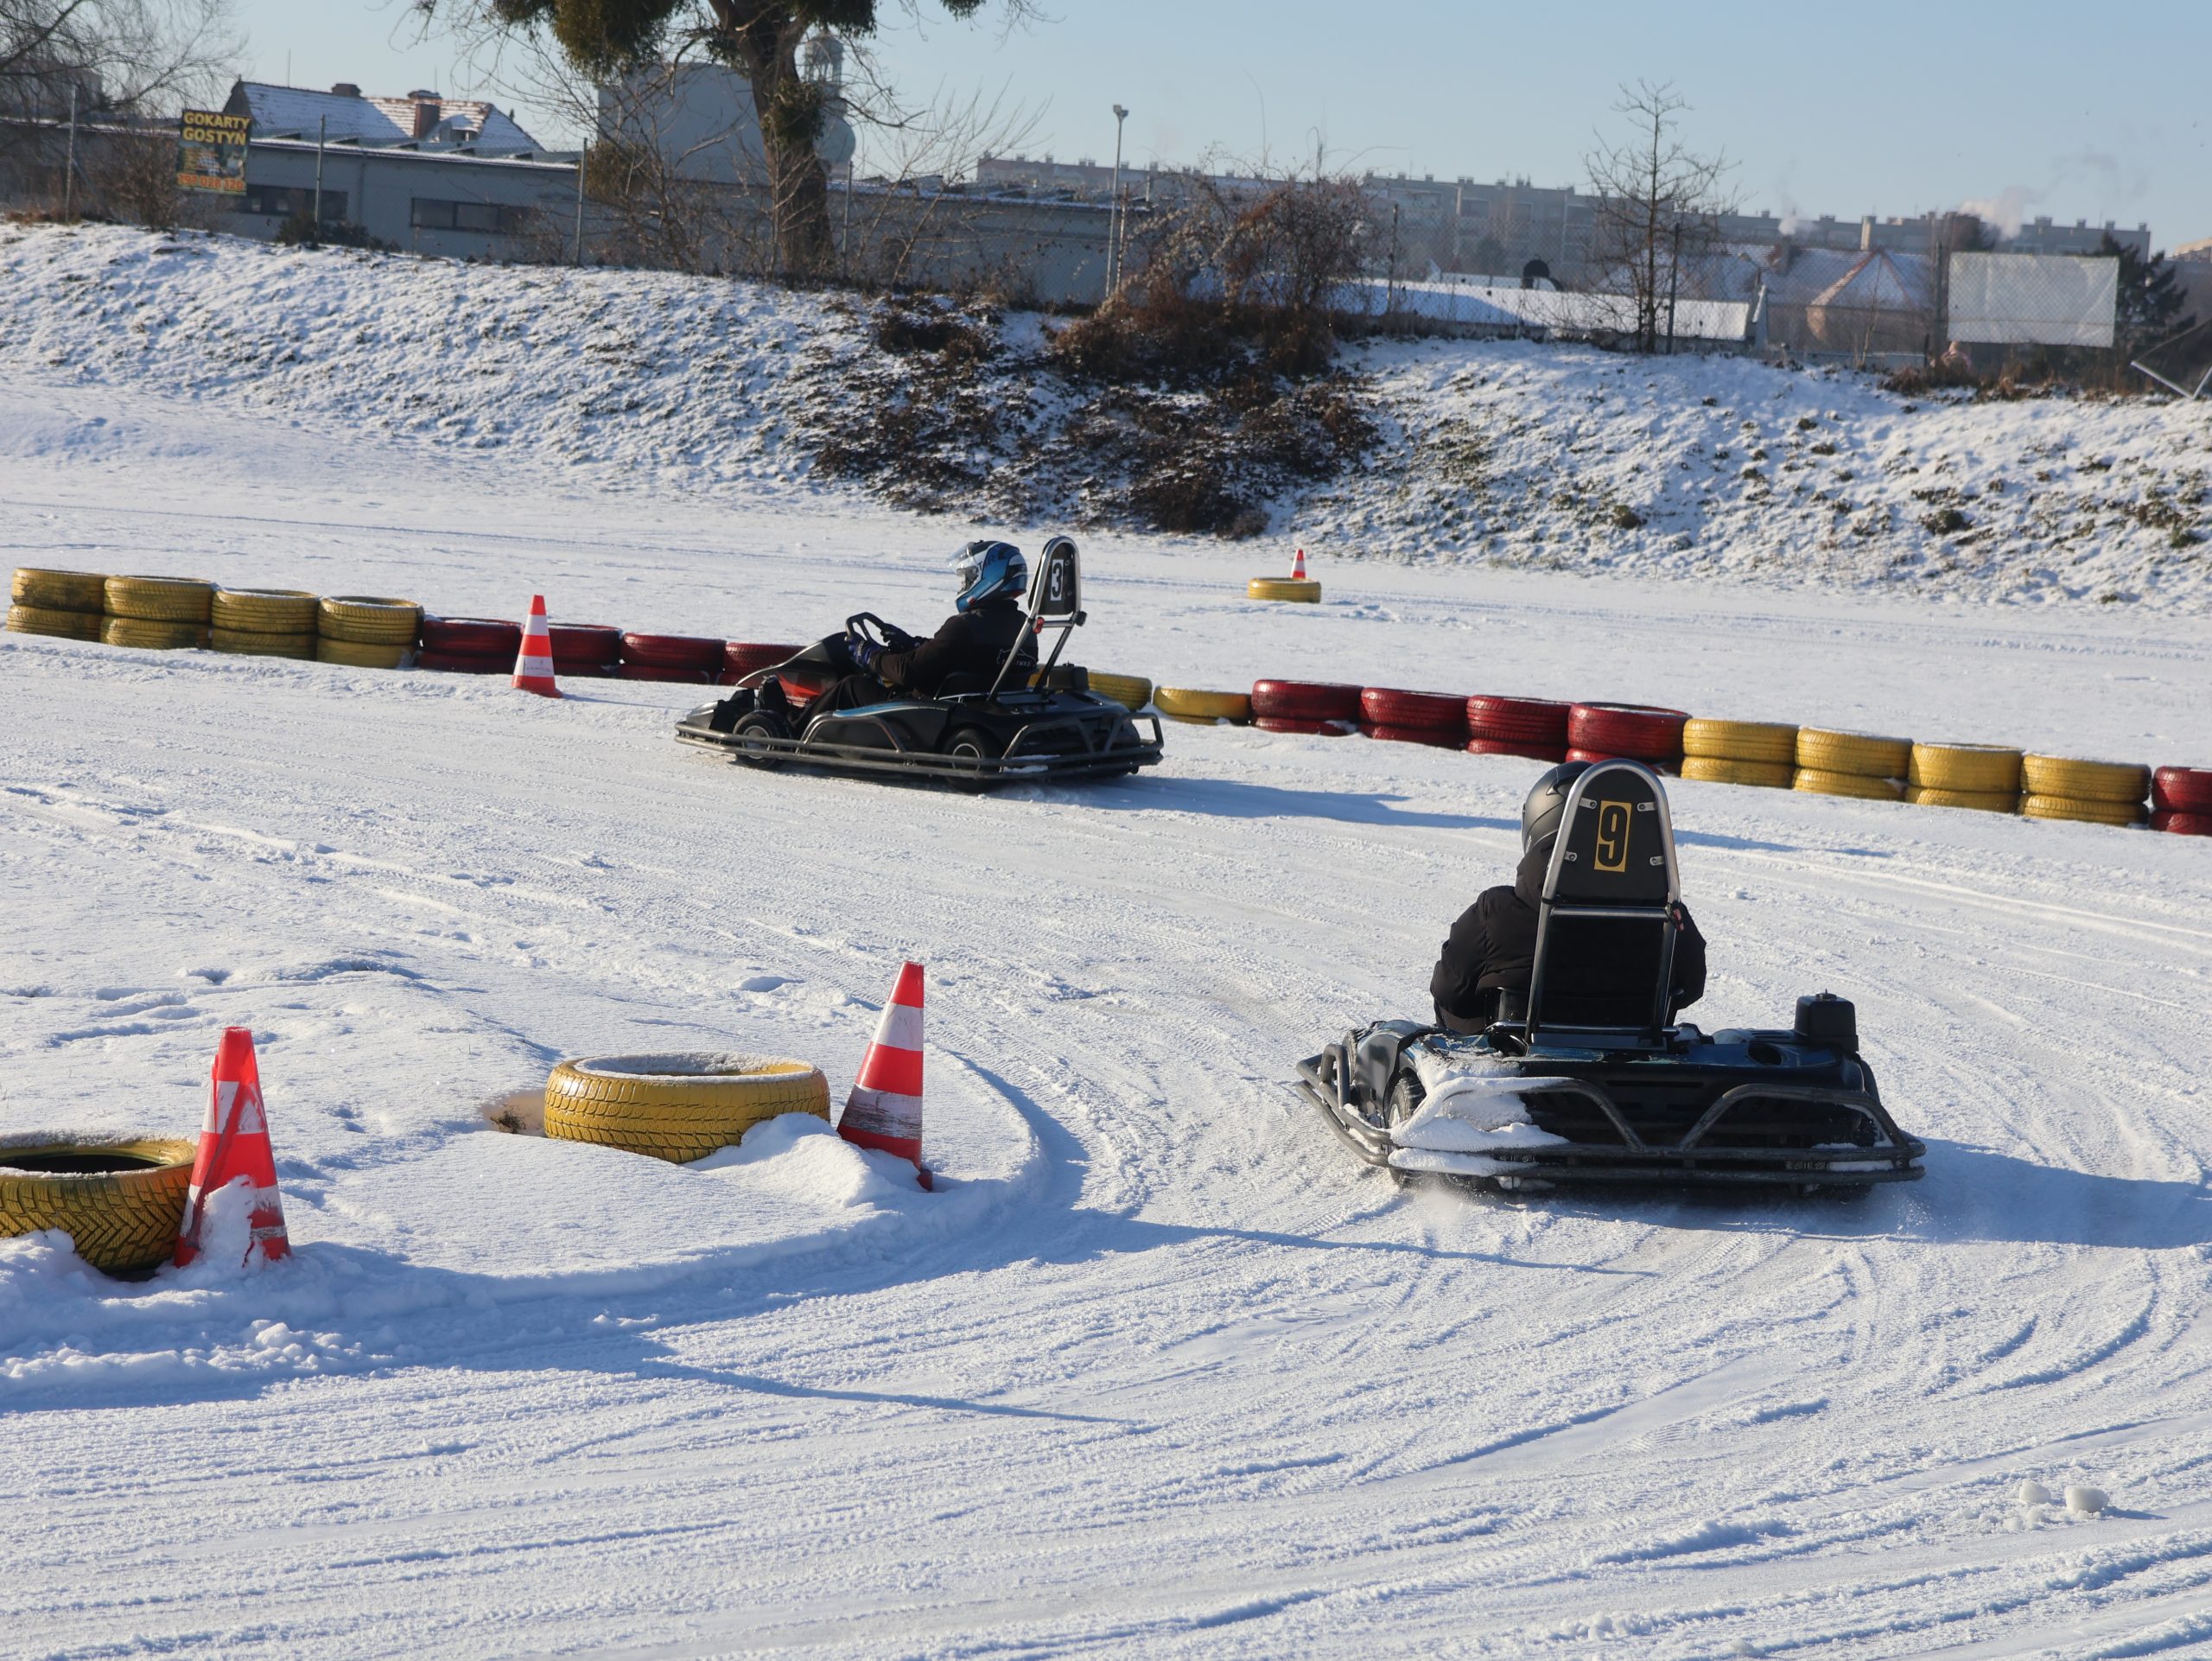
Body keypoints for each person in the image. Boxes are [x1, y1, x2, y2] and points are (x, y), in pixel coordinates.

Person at [1430, 760, 1707, 1034]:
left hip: (1520, 1063)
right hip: (1633, 1059)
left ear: (1541, 818)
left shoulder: (1496, 912)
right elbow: (1691, 986)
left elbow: (1450, 994)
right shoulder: (1666, 915)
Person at [713, 540, 1037, 731]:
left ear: (987, 578)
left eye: (967, 577)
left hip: (934, 709)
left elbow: (909, 672)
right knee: (879, 675)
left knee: (853, 686)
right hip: (979, 702)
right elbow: (954, 657)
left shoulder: (964, 625)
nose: (963, 584)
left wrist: (870, 655)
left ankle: (788, 726)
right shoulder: (1022, 628)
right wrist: (911, 644)